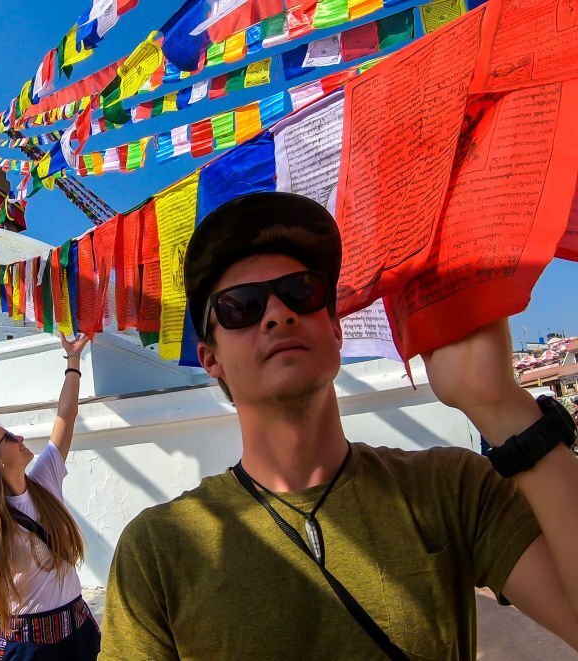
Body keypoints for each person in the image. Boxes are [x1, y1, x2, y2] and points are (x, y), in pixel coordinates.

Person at [100, 192, 578, 659]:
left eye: (301, 292)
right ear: (210, 359)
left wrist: (500, 406)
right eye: (241, 306)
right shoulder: (158, 550)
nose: (278, 314)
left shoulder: (448, 489)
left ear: (335, 329)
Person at [0, 332, 100, 661]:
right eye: (7, 437)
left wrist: (74, 360)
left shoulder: (46, 479)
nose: (19, 436)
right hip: (29, 649)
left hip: (78, 634)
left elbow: (66, 414)